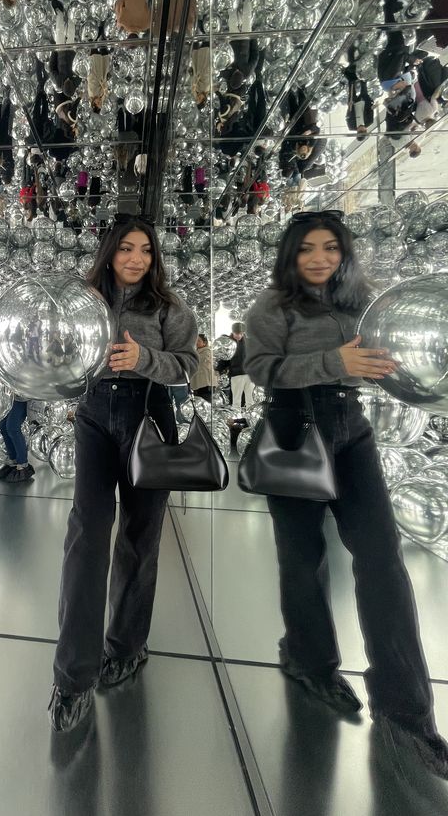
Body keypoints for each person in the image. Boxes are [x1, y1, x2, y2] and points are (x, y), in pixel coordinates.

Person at [244, 210, 448, 780]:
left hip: (349, 426)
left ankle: (407, 711)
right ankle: (309, 661)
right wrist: (336, 361)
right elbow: (259, 368)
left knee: (382, 557)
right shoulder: (270, 307)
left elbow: (379, 359)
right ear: (291, 254)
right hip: (291, 430)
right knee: (302, 558)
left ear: (343, 253)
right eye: (307, 248)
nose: (319, 258)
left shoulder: (360, 302)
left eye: (330, 248)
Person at [49, 214, 198, 733]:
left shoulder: (169, 307)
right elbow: (63, 351)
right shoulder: (84, 300)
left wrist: (143, 357)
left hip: (148, 418)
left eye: (146, 251)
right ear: (109, 252)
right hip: (93, 417)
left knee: (139, 538)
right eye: (127, 249)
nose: (137, 259)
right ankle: (72, 676)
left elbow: (187, 365)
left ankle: (128, 647)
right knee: (87, 536)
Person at [0, 397, 35, 483]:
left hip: (22, 395)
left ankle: (22, 463)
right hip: (9, 396)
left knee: (12, 427)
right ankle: (13, 460)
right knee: (3, 427)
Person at [227, 322, 255, 416]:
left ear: (243, 333)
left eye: (241, 333)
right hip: (236, 374)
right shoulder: (229, 342)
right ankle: (236, 420)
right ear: (233, 332)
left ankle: (250, 419)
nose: (239, 335)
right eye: (237, 333)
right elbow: (225, 358)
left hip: (249, 374)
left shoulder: (249, 342)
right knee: (236, 401)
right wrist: (218, 368)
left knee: (250, 399)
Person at [191, 334, 217, 401]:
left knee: (205, 401)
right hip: (199, 383)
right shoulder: (196, 352)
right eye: (196, 340)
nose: (196, 342)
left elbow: (198, 360)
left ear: (204, 343)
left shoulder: (207, 352)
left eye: (199, 341)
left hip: (205, 383)